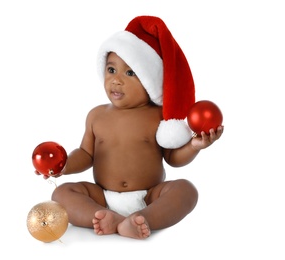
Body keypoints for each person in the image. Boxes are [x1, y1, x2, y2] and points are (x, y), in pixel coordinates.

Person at [36, 16, 223, 239]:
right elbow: (86, 154)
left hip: (149, 196)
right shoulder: (96, 116)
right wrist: (63, 166)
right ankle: (101, 215)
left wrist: (195, 146)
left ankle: (144, 219)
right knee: (61, 192)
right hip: (102, 196)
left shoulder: (158, 117)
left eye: (130, 73)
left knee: (186, 190)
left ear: (150, 80)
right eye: (111, 70)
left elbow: (173, 158)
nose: (116, 80)